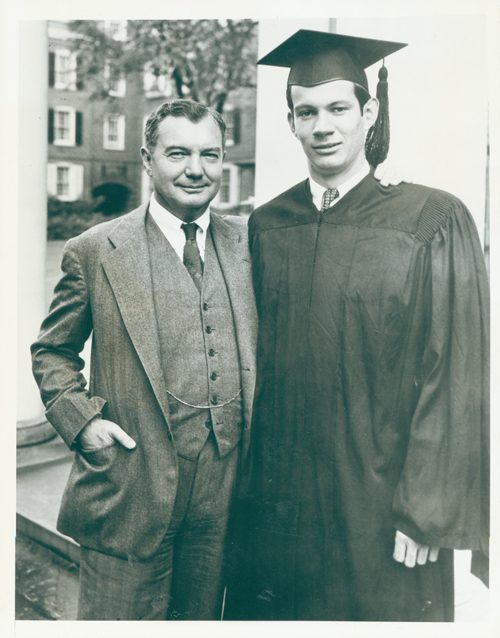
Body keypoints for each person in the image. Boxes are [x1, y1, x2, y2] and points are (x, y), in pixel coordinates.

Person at [225, 30, 489, 622]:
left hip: (380, 505)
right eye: (307, 111)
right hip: (278, 505)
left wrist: (429, 508)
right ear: (291, 121)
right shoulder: (269, 225)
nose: (324, 126)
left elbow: (455, 370)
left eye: (339, 108)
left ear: (368, 112)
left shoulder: (430, 219)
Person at [31, 99, 259, 620]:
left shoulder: (248, 242)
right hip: (129, 485)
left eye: (210, 154)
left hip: (222, 496)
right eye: (178, 153)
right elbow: (52, 350)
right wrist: (82, 423)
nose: (195, 169)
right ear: (146, 158)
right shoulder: (93, 249)